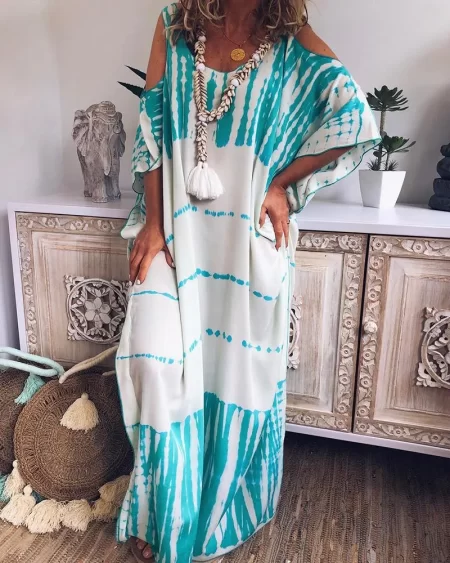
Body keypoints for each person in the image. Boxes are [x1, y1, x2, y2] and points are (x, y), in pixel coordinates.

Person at [116, 1, 380, 561]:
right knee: (154, 363)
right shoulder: (174, 24)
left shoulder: (290, 38)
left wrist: (281, 184)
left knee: (232, 383)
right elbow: (152, 124)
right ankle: (167, 509)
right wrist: (154, 223)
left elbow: (354, 116)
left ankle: (201, 514)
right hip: (174, 236)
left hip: (245, 245)